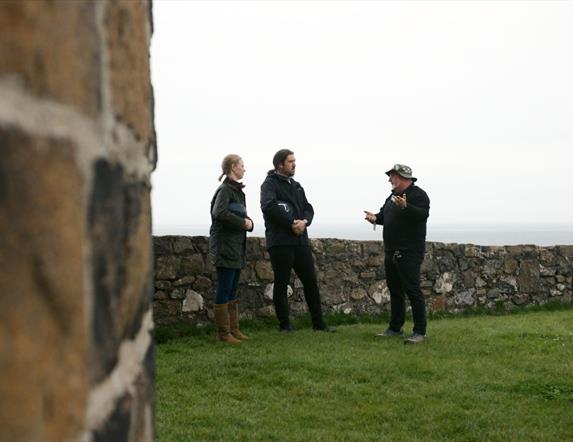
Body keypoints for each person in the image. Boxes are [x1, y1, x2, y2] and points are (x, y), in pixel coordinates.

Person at [260, 149, 334, 333]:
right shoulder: (269, 184)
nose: (294, 164)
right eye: (290, 161)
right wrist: (291, 222)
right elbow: (268, 206)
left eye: (295, 161)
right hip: (281, 241)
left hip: (300, 241)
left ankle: (319, 324)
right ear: (279, 165)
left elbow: (308, 208)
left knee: (310, 281)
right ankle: (284, 325)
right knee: (281, 283)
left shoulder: (297, 186)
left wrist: (304, 222)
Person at [364, 164, 430, 344]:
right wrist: (375, 218)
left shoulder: (418, 195)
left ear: (401, 177)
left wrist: (406, 207)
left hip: (409, 251)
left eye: (392, 176)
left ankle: (420, 332)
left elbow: (423, 215)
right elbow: (385, 217)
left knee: (413, 291)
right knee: (395, 291)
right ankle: (395, 328)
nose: (389, 180)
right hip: (391, 251)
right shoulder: (392, 197)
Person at [209, 154, 254, 344]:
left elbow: (241, 216)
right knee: (224, 288)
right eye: (242, 165)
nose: (244, 169)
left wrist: (249, 223)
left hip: (236, 247)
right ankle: (224, 333)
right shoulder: (225, 190)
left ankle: (234, 330)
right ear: (233, 167)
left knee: (233, 289)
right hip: (224, 247)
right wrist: (242, 222)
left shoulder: (237, 192)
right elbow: (218, 213)